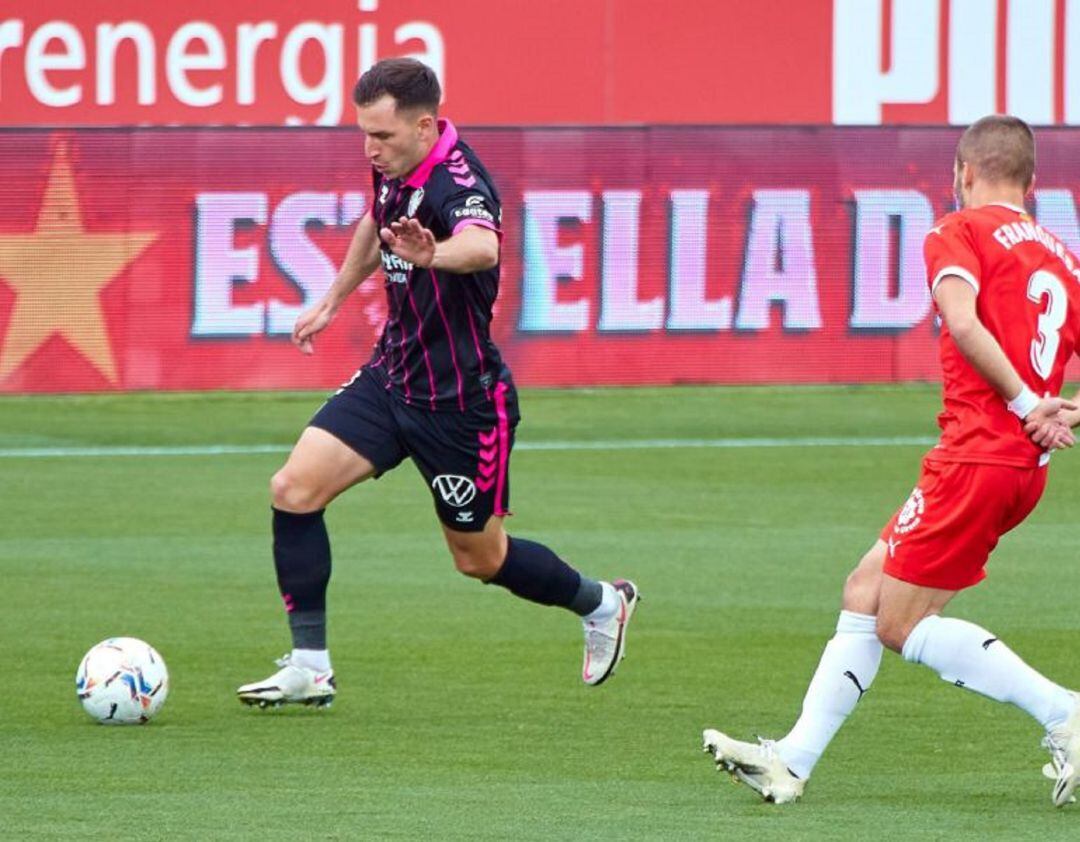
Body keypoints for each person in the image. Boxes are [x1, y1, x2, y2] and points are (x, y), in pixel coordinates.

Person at [237, 58, 638, 708]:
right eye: (365, 134)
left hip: (460, 405)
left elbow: (482, 247)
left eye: (383, 136)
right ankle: (311, 667)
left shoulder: (460, 182)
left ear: (425, 127)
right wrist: (335, 299)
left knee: (478, 559)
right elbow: (377, 221)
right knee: (293, 489)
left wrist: (433, 255)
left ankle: (600, 603)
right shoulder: (395, 163)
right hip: (392, 377)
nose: (371, 148)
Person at [703, 115, 1080, 806]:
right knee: (864, 591)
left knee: (898, 624)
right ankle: (792, 760)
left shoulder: (957, 231)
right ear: (1032, 182)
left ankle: (1067, 713)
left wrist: (1029, 402)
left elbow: (962, 322)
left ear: (962, 173)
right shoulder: (1060, 254)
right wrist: (1063, 408)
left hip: (977, 457)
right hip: (1010, 465)